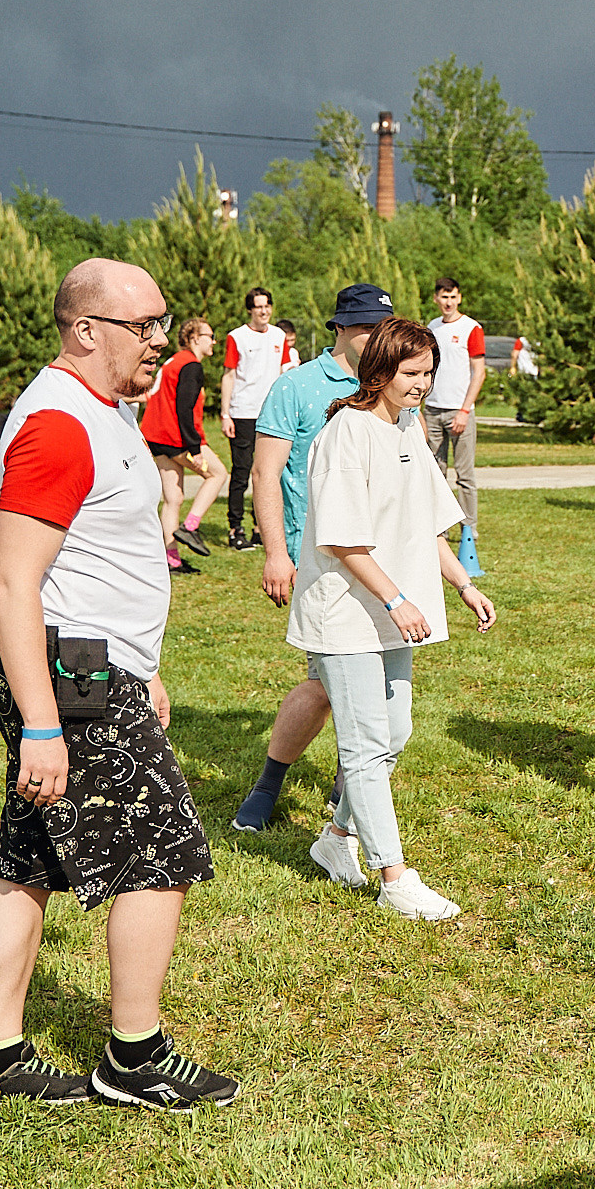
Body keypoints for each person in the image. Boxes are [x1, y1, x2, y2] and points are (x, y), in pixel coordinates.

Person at [0, 258, 238, 1111]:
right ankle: (134, 1057)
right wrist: (45, 723)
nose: (161, 339)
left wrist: (143, 667)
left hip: (96, 668)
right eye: (144, 325)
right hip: (70, 675)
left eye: (164, 321)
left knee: (27, 861)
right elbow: (16, 581)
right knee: (162, 854)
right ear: (86, 330)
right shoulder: (56, 425)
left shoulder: (107, 409)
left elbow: (107, 561)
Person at [290, 317, 498, 921]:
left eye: (429, 373)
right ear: (378, 373)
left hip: (393, 611)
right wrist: (395, 600)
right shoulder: (345, 434)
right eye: (411, 374)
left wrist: (462, 584)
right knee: (364, 746)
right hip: (346, 613)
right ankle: (393, 875)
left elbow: (425, 524)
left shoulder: (408, 429)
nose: (423, 385)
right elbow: (343, 542)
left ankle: (333, 840)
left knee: (395, 733)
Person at [236, 283, 389, 837]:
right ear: (342, 329)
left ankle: (351, 788)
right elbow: (265, 474)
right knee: (326, 683)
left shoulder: (389, 387)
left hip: (380, 562)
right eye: (369, 330)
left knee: (374, 683)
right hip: (317, 561)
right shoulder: (295, 387)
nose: (377, 342)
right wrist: (276, 552)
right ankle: (271, 784)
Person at [141, 318, 231, 574]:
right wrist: (193, 447)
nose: (213, 341)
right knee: (218, 474)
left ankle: (170, 560)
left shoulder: (173, 360)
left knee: (173, 498)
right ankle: (190, 527)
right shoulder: (191, 365)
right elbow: (185, 409)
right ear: (194, 338)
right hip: (173, 436)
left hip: (154, 436)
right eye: (209, 335)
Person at [219, 287, 298, 551]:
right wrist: (225, 413)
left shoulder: (278, 335)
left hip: (271, 413)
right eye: (258, 307)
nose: (263, 311)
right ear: (250, 310)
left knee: (268, 473)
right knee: (241, 472)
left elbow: (287, 371)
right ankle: (235, 528)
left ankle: (259, 528)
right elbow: (229, 376)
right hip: (243, 412)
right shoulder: (236, 337)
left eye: (267, 306)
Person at [423, 277, 487, 571]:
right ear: (436, 299)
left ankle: (468, 529)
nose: (448, 301)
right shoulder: (432, 327)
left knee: (465, 475)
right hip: (433, 409)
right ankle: (439, 527)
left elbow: (479, 372)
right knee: (435, 473)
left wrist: (464, 410)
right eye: (443, 297)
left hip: (459, 411)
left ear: (459, 298)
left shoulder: (471, 328)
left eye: (453, 296)